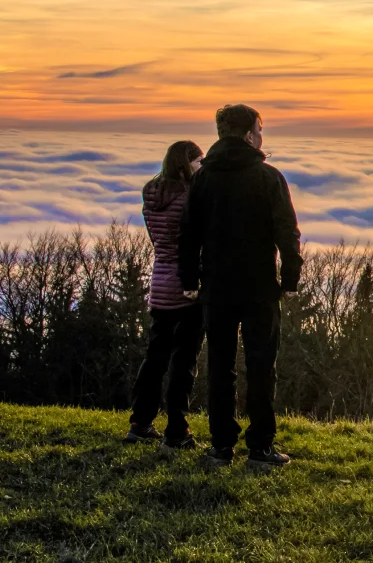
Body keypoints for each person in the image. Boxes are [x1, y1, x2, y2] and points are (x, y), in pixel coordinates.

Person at [180, 104, 302, 468]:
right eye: (260, 130)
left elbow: (188, 234)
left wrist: (189, 279)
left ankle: (220, 447)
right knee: (262, 366)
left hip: (215, 287)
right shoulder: (268, 177)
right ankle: (260, 448)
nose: (262, 136)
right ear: (249, 135)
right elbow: (287, 231)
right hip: (259, 286)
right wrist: (291, 279)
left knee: (220, 365)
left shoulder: (203, 179)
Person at [124, 141, 206, 451]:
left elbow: (161, 241)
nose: (204, 167)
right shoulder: (188, 197)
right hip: (186, 285)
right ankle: (177, 428)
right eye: (201, 161)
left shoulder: (152, 193)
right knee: (184, 360)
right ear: (187, 165)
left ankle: (140, 422)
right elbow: (188, 242)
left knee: (155, 356)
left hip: (159, 284)